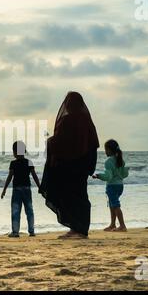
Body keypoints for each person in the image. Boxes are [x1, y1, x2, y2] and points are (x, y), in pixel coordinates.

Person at [40, 91, 99, 239]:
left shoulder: (66, 120)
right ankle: (78, 229)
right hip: (82, 167)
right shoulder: (87, 121)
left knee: (70, 197)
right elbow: (92, 145)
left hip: (67, 167)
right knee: (80, 196)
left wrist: (49, 141)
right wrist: (89, 167)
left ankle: (78, 230)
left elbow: (59, 141)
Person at [1, 141, 41, 237]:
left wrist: (4, 189)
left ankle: (15, 232)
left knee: (15, 211)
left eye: (13, 151)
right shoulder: (29, 162)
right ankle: (31, 231)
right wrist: (40, 187)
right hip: (27, 189)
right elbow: (34, 176)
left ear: (16, 151)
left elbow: (10, 177)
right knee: (29, 210)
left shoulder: (13, 163)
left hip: (17, 190)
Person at [92, 139, 129, 232]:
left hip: (112, 186)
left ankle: (122, 226)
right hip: (120, 186)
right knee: (112, 204)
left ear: (109, 150)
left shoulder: (108, 161)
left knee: (115, 205)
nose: (105, 152)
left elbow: (108, 177)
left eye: (105, 149)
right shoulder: (120, 160)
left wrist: (98, 176)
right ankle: (112, 224)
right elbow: (124, 175)